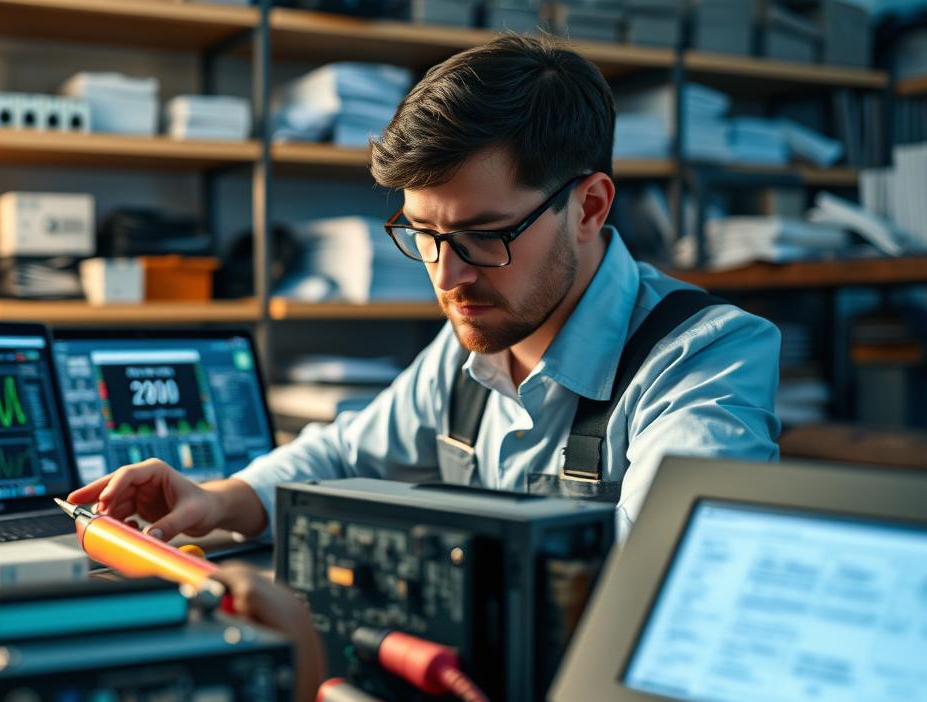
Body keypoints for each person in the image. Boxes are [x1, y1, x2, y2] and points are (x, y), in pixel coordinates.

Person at [67, 32, 780, 545]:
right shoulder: (471, 345)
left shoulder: (704, 361)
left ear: (590, 207)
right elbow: (345, 455)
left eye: (484, 234)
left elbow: (668, 575)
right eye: (424, 235)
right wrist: (222, 499)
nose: (448, 276)